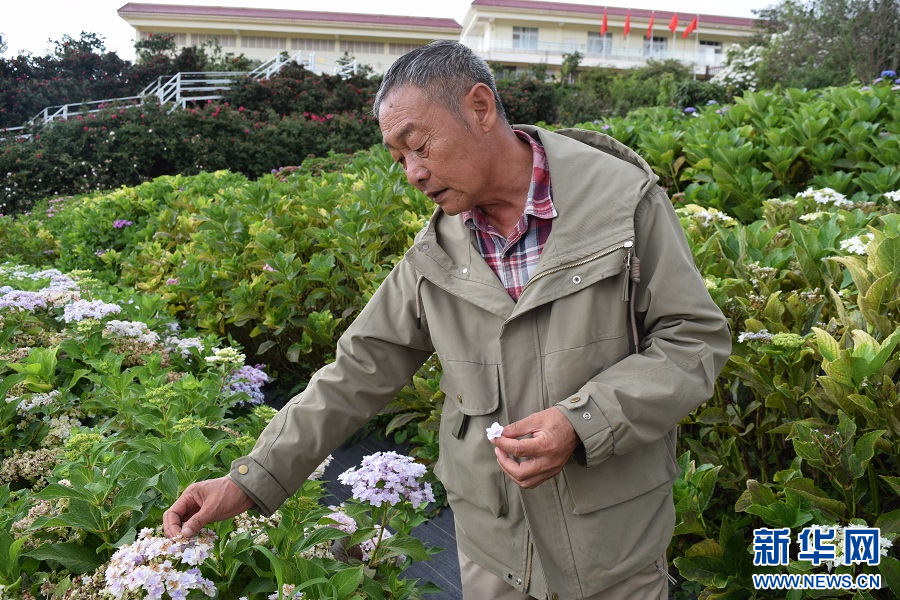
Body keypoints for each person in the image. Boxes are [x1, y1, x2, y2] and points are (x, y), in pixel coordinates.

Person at [163, 40, 732, 600]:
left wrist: (583, 421)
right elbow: (356, 371)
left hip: (616, 549)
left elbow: (694, 341)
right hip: (494, 554)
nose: (413, 172)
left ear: (480, 108)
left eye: (420, 145)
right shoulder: (434, 255)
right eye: (399, 158)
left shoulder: (622, 205)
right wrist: (248, 480)